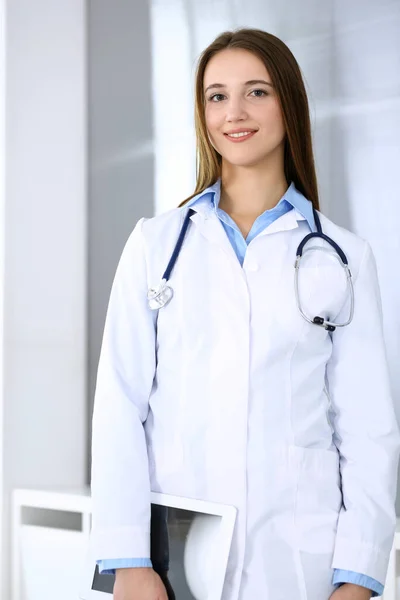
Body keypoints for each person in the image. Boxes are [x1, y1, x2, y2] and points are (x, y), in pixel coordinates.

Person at [89, 28, 400, 600]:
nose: (234, 112)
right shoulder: (157, 244)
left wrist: (358, 576)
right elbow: (119, 404)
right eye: (216, 95)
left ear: (288, 102)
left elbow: (368, 428)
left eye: (256, 92)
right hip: (173, 558)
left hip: (298, 558)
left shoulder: (344, 256)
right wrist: (127, 560)